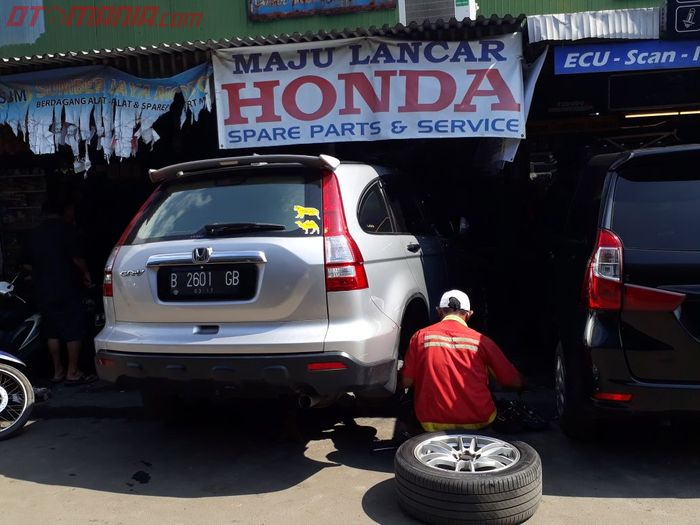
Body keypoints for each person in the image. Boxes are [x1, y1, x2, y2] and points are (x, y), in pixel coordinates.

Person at [400, 289, 522, 431]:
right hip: (480, 420)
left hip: (430, 422)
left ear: (439, 311)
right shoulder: (482, 341)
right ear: (469, 315)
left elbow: (406, 382)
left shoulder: (420, 337)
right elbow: (514, 382)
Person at [27, 200, 96, 385]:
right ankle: (73, 371)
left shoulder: (35, 233)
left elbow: (26, 262)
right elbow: (76, 258)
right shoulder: (67, 230)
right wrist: (86, 274)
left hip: (44, 289)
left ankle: (57, 371)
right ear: (64, 211)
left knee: (52, 331)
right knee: (73, 329)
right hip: (67, 287)